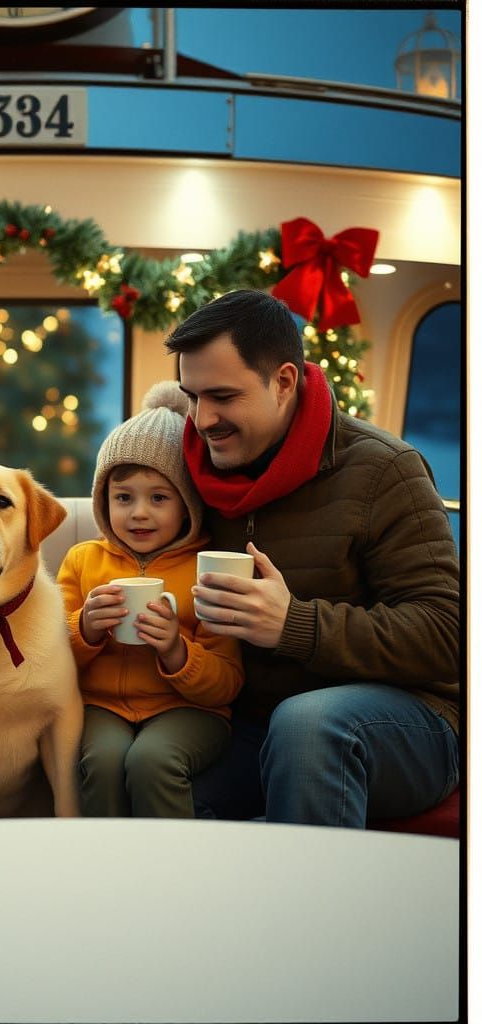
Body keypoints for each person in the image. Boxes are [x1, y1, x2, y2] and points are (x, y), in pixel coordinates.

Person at [165, 288, 459, 827]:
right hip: (253, 721)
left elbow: (446, 635)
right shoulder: (194, 466)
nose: (202, 419)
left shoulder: (385, 470)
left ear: (283, 381)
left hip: (409, 721)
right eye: (190, 396)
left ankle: (312, 909)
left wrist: (293, 625)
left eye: (223, 397)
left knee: (309, 726)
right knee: (151, 772)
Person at [56, 382, 244, 818]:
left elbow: (227, 681)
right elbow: (45, 655)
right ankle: (106, 865)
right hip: (100, 704)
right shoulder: (83, 560)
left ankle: (169, 871)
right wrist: (84, 629)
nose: (139, 512)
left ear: (188, 505)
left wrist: (177, 651)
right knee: (101, 761)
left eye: (159, 497)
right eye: (123, 497)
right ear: (103, 501)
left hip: (191, 710)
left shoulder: (207, 569)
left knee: (152, 761)